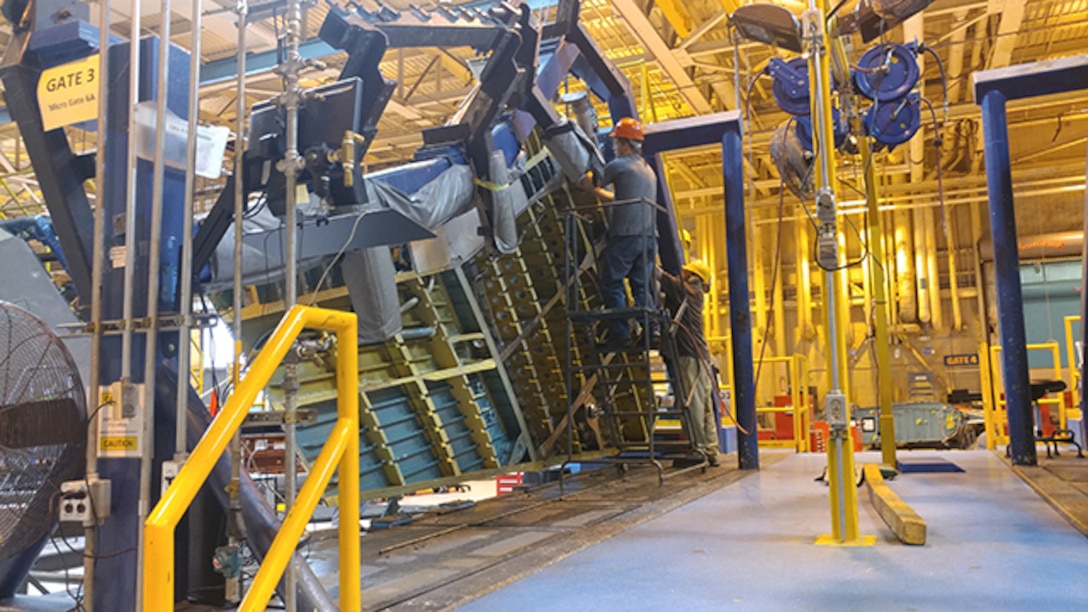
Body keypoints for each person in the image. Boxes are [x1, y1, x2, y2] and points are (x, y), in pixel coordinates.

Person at [577, 117, 658, 347]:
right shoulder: (647, 170)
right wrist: (596, 192)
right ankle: (652, 329)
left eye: (616, 143)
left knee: (611, 282)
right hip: (649, 238)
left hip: (626, 236)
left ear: (624, 144)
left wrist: (584, 178)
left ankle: (620, 333)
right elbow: (620, 198)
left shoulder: (619, 165)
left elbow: (590, 182)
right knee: (641, 284)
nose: (614, 148)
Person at [658, 258, 720, 466]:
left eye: (685, 272)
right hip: (701, 355)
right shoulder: (696, 294)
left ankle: (698, 449)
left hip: (689, 354)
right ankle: (711, 448)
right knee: (704, 403)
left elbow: (657, 275)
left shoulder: (685, 290)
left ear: (693, 277)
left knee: (692, 402)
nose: (681, 274)